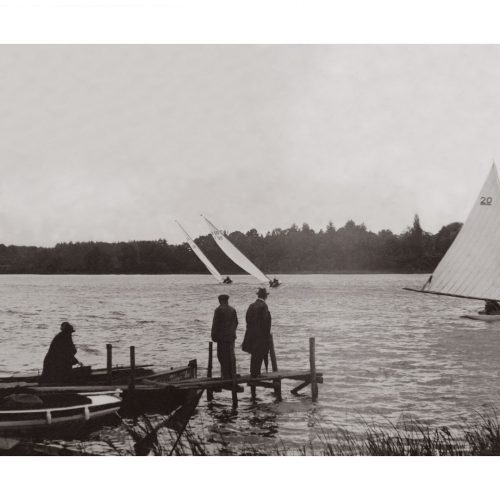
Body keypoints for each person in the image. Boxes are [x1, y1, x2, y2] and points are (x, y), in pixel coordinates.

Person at [242, 288, 272, 377]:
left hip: (251, 333)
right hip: (261, 334)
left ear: (258, 295)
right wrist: (266, 334)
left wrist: (251, 329)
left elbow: (247, 318)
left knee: (254, 353)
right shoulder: (264, 306)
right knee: (259, 353)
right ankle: (256, 373)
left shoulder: (252, 305)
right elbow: (265, 321)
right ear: (265, 296)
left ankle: (253, 372)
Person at [211, 294, 238, 379]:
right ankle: (232, 373)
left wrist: (214, 336)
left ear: (220, 301)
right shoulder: (232, 310)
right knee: (231, 355)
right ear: (227, 300)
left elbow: (215, 324)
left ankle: (225, 375)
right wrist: (232, 332)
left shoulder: (218, 310)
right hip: (231, 337)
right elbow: (236, 323)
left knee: (222, 356)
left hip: (221, 338)